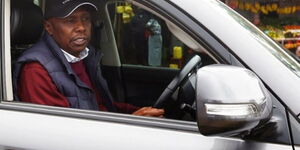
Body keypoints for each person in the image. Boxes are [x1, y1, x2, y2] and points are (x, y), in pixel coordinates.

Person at [12, 0, 164, 117]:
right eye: (70, 20)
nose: (81, 27)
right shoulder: (35, 71)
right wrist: (131, 123)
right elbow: (58, 134)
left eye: (85, 19)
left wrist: (139, 113)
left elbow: (98, 107)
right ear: (48, 27)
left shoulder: (85, 56)